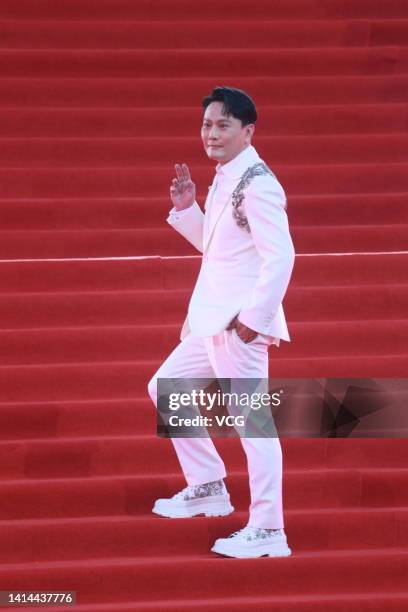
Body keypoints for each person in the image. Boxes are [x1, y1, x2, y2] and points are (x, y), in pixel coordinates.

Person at [147, 86, 295, 558]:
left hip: (238, 323)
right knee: (166, 386)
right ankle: (208, 485)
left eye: (222, 125)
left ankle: (269, 528)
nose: (211, 133)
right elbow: (222, 253)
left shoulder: (259, 183)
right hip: (211, 319)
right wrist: (190, 209)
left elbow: (282, 257)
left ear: (248, 131)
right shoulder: (226, 177)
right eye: (207, 124)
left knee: (253, 424)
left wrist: (255, 318)